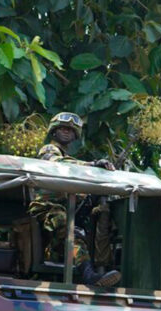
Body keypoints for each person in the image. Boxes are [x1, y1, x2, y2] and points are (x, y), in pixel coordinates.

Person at [28, 112, 120, 286]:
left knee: (80, 230)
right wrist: (92, 165)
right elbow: (58, 164)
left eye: (70, 130)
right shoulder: (49, 150)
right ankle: (89, 276)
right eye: (62, 128)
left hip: (63, 211)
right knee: (70, 229)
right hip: (47, 208)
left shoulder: (70, 160)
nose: (66, 132)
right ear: (53, 131)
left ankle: (91, 270)